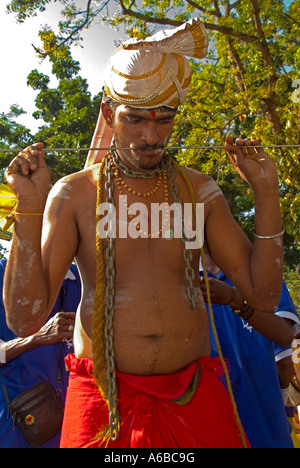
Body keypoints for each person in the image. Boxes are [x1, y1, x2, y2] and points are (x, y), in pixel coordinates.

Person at [3, 19, 285, 448]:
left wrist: (266, 192)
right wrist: (29, 206)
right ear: (106, 113)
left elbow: (263, 297)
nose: (151, 136)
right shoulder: (75, 193)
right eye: (134, 119)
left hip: (194, 395)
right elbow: (24, 318)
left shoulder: (201, 191)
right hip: (102, 398)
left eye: (164, 120)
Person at [199, 255, 298, 448]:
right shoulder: (261, 273)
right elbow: (284, 363)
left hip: (209, 430)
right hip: (267, 428)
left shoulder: (181, 279)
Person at [0, 260, 81, 448]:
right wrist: (35, 338)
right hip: (17, 430)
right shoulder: (4, 274)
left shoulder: (81, 278)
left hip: (74, 425)